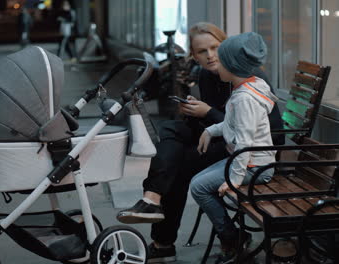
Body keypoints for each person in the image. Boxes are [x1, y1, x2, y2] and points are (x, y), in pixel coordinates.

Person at [116, 22, 284, 263]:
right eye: (202, 52)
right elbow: (219, 123)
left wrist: (207, 114)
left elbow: (250, 130)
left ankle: (164, 241)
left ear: (225, 48)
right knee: (171, 130)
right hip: (224, 138)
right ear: (194, 56)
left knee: (179, 166)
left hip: (252, 150)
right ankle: (151, 197)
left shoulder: (247, 75)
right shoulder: (206, 76)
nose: (210, 56)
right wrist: (193, 113)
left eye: (215, 48)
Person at [189, 32, 276, 263]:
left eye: (222, 61)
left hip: (254, 166)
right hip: (248, 162)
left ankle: (232, 238)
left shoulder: (244, 99)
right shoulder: (245, 88)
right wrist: (210, 130)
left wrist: (234, 181)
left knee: (198, 187)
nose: (217, 64)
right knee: (197, 182)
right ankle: (233, 236)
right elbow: (231, 124)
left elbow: (245, 145)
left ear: (233, 67)